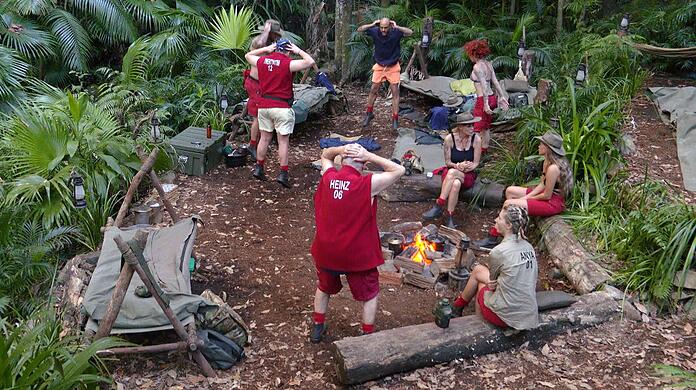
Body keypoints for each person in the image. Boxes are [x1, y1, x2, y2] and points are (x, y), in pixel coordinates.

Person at [309, 144, 405, 343]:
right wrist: (369, 154)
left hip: (327, 250)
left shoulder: (328, 177)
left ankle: (318, 326)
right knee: (370, 293)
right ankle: (367, 333)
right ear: (364, 164)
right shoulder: (367, 184)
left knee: (324, 287)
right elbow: (399, 170)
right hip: (357, 255)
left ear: (342, 161)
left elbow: (325, 155)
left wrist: (340, 148)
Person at [474, 131, 574, 250]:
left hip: (553, 203)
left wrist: (526, 198)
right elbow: (542, 184)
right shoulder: (547, 161)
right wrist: (528, 196)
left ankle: (493, 237)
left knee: (508, 203)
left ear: (547, 148)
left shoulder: (553, 168)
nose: (538, 146)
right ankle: (513, 228)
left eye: (541, 144)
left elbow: (547, 195)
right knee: (510, 191)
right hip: (547, 196)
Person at [451, 204, 539, 330]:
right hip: (528, 313)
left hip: (506, 317)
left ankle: (478, 328)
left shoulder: (499, 251)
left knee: (482, 287)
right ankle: (458, 306)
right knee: (478, 270)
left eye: (500, 218)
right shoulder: (528, 246)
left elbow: (492, 284)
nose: (496, 220)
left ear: (508, 225)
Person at [245, 38, 315, 188]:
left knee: (264, 139)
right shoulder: (288, 63)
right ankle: (283, 174)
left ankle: (259, 168)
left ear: (275, 49)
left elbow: (248, 55)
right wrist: (299, 51)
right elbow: (310, 61)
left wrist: (266, 49)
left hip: (264, 106)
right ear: (289, 51)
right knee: (283, 141)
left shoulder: (263, 61)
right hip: (282, 107)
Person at [422, 113, 482, 228]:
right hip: (452, 173)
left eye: (472, 125)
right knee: (455, 183)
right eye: (468, 126)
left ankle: (439, 205)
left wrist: (467, 167)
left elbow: (476, 163)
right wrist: (457, 165)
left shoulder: (476, 139)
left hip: (468, 175)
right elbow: (448, 162)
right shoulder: (450, 139)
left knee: (452, 173)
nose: (472, 128)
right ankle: (450, 216)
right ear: (460, 127)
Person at [357, 18, 413, 130]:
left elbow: (410, 32)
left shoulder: (396, 32)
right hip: (379, 66)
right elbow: (360, 30)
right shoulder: (375, 31)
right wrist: (372, 24)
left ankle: (395, 118)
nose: (383, 30)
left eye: (385, 27)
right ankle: (369, 113)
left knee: (395, 92)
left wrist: (397, 26)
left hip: (393, 66)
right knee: (373, 90)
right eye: (381, 27)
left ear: (390, 26)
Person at [244, 20, 283, 159]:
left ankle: (261, 142)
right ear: (271, 33)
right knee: (258, 116)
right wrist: (266, 32)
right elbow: (259, 46)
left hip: (265, 85)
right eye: (275, 34)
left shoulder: (274, 44)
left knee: (264, 115)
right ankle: (252, 145)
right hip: (255, 84)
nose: (277, 37)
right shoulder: (258, 42)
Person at [464, 39, 509, 153]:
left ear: (474, 53)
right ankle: (484, 149)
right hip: (492, 97)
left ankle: (476, 152)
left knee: (477, 127)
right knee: (486, 127)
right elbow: (495, 81)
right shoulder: (488, 64)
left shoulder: (477, 67)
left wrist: (485, 104)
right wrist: (501, 96)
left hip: (483, 99)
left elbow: (484, 86)